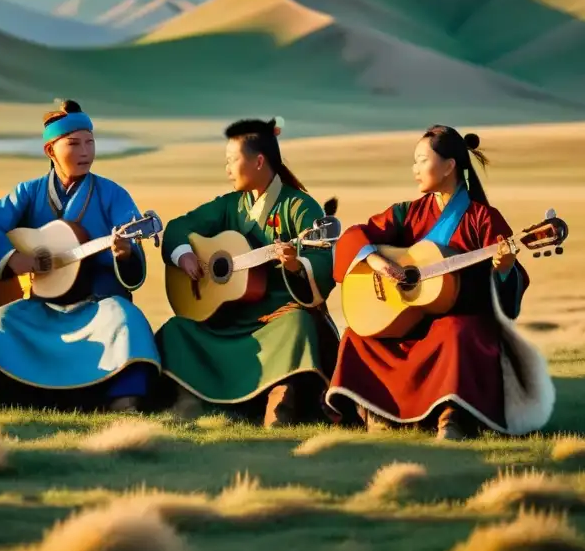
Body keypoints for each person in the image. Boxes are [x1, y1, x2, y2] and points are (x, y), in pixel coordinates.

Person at [326, 125, 555, 441]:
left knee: (454, 332)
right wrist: (376, 261)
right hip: (408, 320)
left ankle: (452, 417)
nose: (414, 169)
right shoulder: (407, 213)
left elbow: (511, 294)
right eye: (414, 161)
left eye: (421, 160)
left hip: (458, 321)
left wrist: (503, 269)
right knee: (357, 334)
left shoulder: (483, 218)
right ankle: (379, 412)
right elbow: (354, 236)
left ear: (449, 166)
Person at [0, 100, 161, 412]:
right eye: (74, 144)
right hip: (42, 301)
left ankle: (125, 398)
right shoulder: (28, 193)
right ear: (50, 151)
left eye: (90, 143)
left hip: (98, 302)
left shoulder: (113, 194)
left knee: (126, 319)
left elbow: (133, 256)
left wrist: (125, 253)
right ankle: (12, 391)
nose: (85, 152)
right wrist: (14, 259)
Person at [156, 117, 339, 428]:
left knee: (297, 325)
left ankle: (281, 399)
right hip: (226, 318)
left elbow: (321, 265)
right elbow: (178, 228)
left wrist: (295, 265)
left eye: (232, 160)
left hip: (276, 319)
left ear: (258, 161)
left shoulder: (299, 207)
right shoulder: (229, 206)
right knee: (177, 330)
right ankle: (188, 397)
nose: (227, 169)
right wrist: (185, 255)